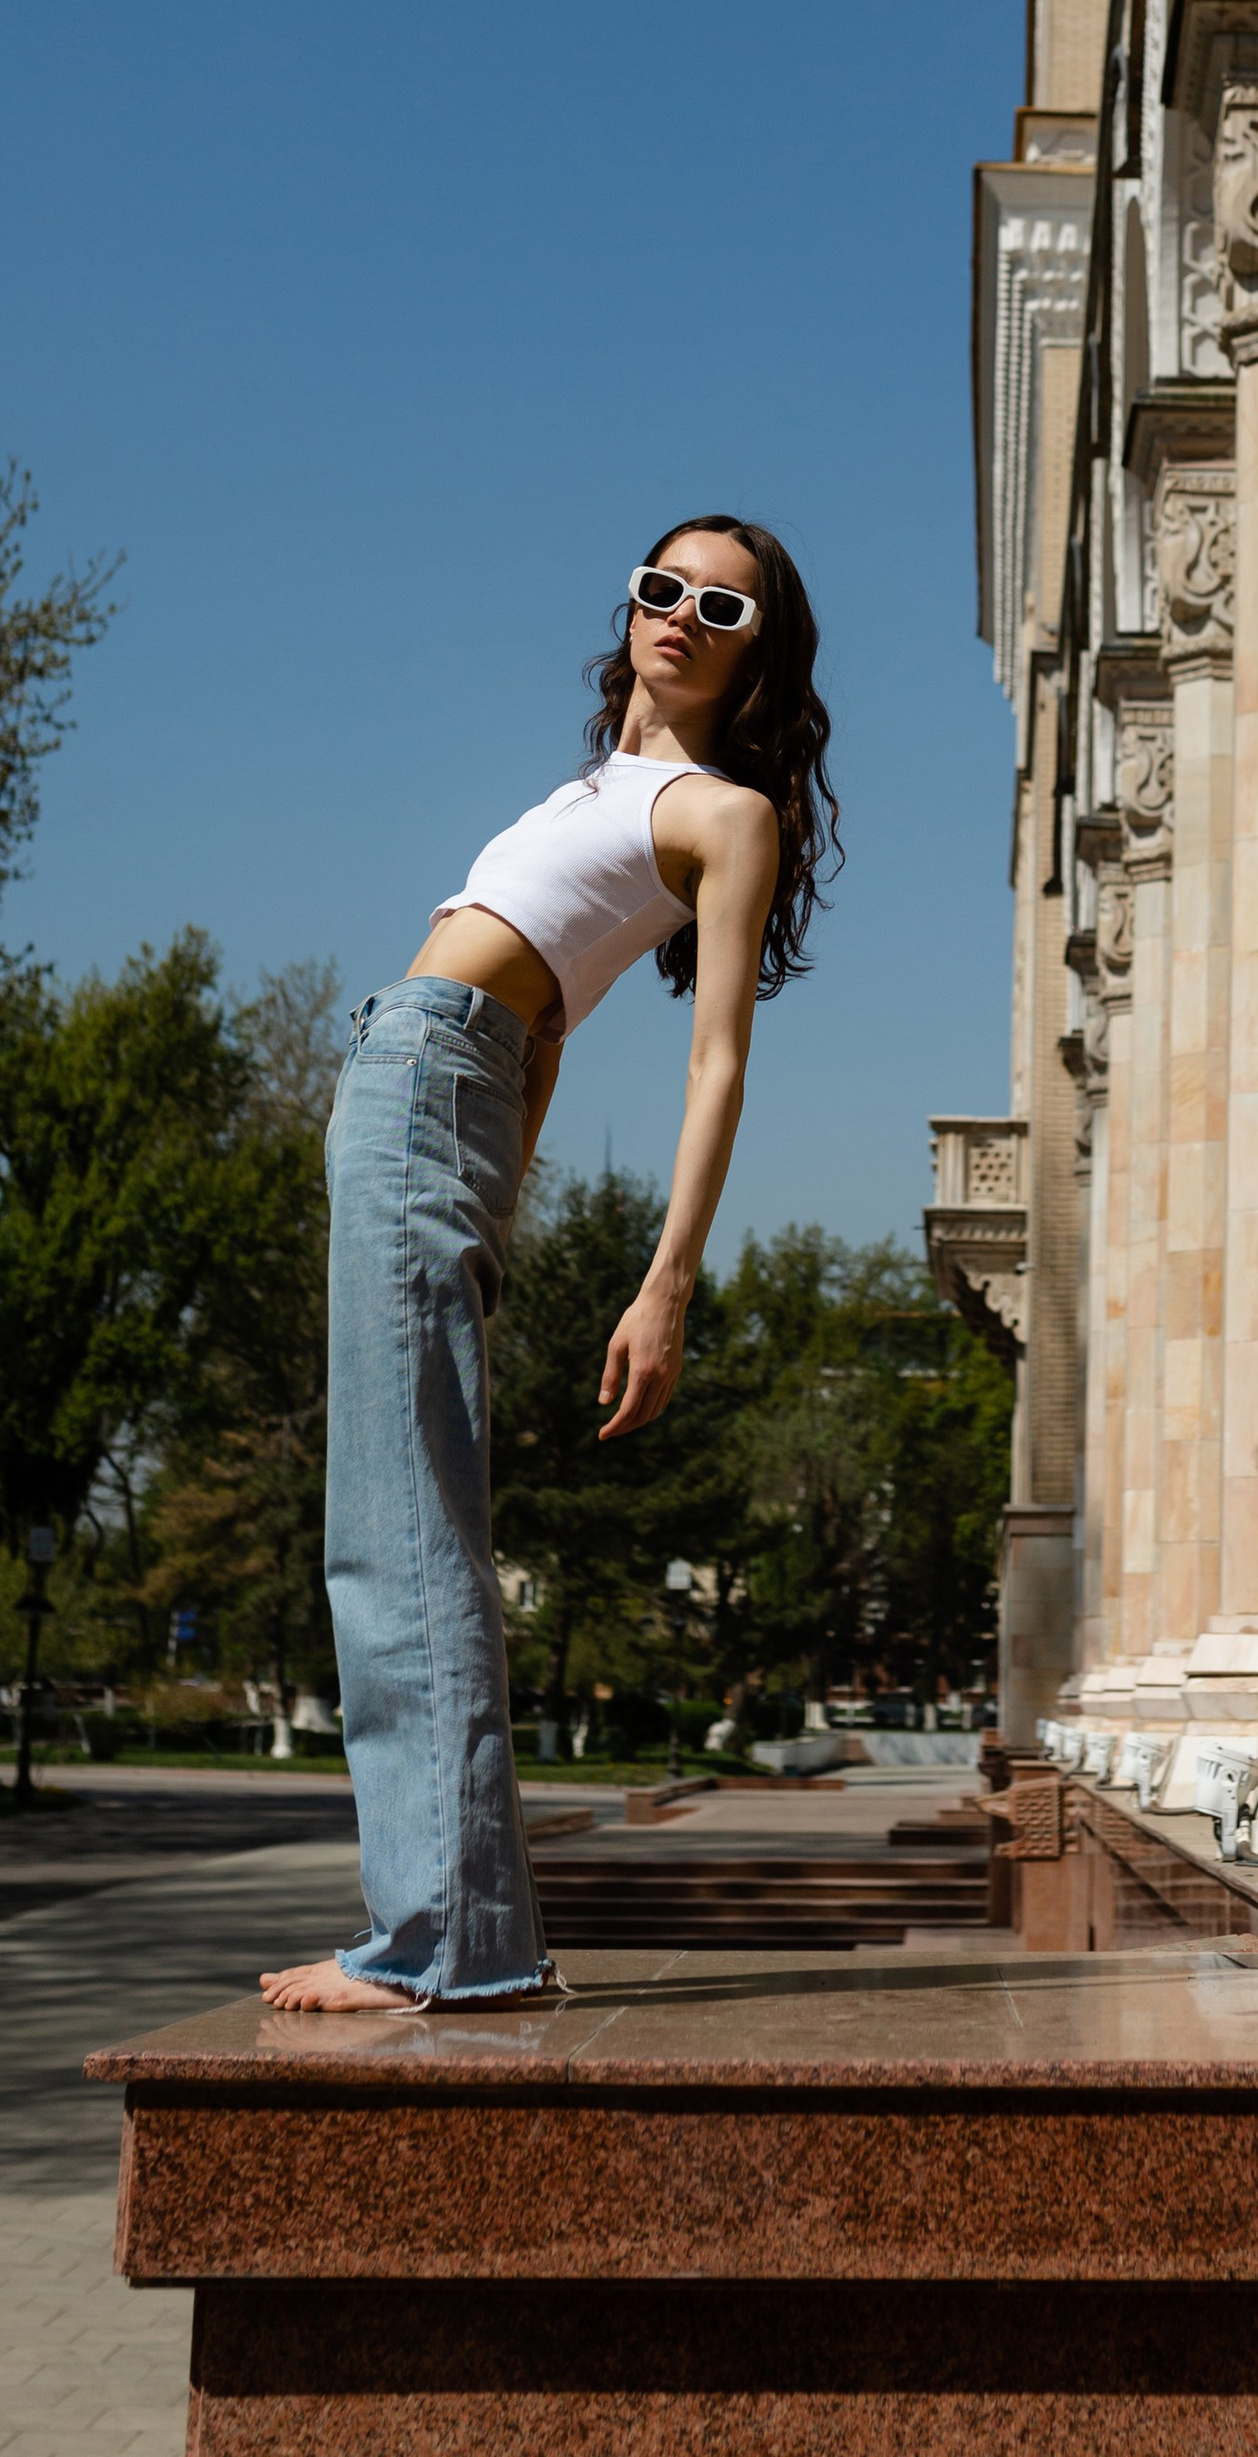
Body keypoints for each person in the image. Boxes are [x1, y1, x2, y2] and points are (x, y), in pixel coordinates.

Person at [259, 514, 836, 2012]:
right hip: (416, 1079)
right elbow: (550, 1032)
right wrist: (496, 1200)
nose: (684, 615)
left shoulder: (726, 812)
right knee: (391, 1508)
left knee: (401, 1525)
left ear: (757, 646)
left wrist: (667, 1282)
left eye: (724, 604)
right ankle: (464, 1931)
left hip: (426, 1083)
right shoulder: (592, 785)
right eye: (664, 588)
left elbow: (717, 1067)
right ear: (630, 603)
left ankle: (445, 1942)